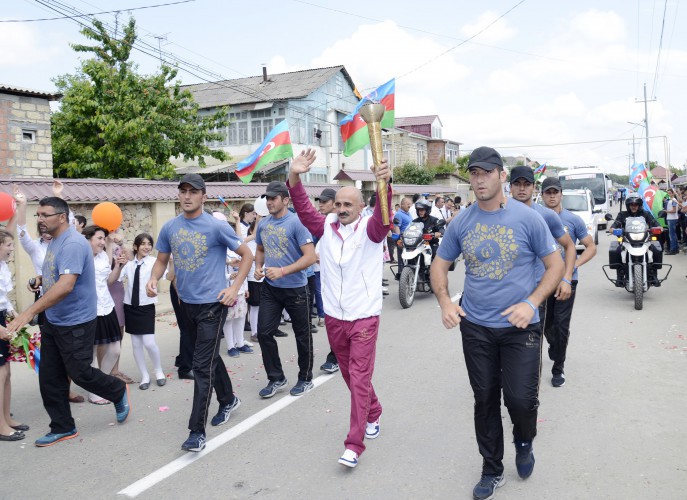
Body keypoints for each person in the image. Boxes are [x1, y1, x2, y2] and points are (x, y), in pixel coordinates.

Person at [430, 147, 563, 500]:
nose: (479, 179)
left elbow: (555, 265)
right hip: (476, 326)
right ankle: (492, 469)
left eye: (486, 172)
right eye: (474, 173)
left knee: (520, 401)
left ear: (501, 176)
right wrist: (445, 302)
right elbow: (439, 265)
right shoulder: (461, 221)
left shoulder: (529, 218)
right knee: (485, 398)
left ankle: (523, 440)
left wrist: (532, 302)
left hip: (522, 327)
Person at [287, 148, 390, 468]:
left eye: (349, 204)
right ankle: (373, 410)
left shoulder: (372, 230)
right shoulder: (324, 228)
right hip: (334, 316)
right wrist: (294, 175)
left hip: (364, 316)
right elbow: (303, 208)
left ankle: (354, 444)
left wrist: (385, 183)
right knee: (348, 374)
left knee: (359, 377)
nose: (343, 209)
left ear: (362, 207)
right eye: (339, 204)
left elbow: (384, 216)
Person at [7, 197, 130, 447]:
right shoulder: (55, 241)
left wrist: (29, 312)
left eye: (45, 215)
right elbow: (58, 274)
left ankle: (117, 392)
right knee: (50, 377)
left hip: (76, 322)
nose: (39, 220)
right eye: (38, 215)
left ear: (62, 217)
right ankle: (63, 426)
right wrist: (42, 280)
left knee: (80, 373)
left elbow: (66, 285)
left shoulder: (73, 243)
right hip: (54, 320)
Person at [146, 173, 252, 452]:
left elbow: (247, 256)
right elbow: (161, 260)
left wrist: (234, 288)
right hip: (185, 304)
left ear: (204, 196)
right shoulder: (170, 227)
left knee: (201, 367)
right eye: (183, 191)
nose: (187, 196)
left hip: (212, 305)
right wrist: (153, 279)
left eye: (193, 191)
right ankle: (228, 399)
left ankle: (196, 431)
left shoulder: (215, 227)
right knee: (207, 357)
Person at [254, 181, 317, 398]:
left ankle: (305, 377)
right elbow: (260, 249)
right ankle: (276, 378)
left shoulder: (297, 223)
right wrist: (258, 267)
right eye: (267, 199)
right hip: (271, 288)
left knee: (302, 335)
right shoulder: (263, 224)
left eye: (273, 198)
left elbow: (311, 257)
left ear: (285, 200)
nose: (269, 202)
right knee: (263, 332)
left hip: (296, 288)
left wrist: (283, 271)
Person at [540, 178, 597, 387]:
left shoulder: (573, 220)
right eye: (548, 192)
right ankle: (554, 346)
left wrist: (574, 266)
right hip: (542, 281)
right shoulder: (536, 218)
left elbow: (590, 246)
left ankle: (558, 368)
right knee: (545, 325)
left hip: (566, 281)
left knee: (561, 325)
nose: (552, 196)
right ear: (543, 195)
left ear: (561, 194)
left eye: (556, 192)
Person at [509, 167, 576, 307]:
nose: (522, 188)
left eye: (526, 184)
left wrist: (567, 278)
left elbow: (569, 246)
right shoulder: (500, 213)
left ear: (534, 187)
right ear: (510, 187)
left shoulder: (546, 215)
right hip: (508, 292)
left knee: (543, 329)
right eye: (517, 184)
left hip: (537, 292)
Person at [82, 225, 126, 404]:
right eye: (99, 238)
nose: (102, 242)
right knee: (91, 352)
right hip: (89, 310)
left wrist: (119, 266)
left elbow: (109, 280)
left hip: (107, 307)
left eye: (103, 238)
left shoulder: (102, 257)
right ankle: (95, 392)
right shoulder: (81, 258)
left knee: (115, 349)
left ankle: (102, 382)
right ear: (88, 240)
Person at [121, 233, 166, 390]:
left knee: (149, 342)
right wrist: (119, 263)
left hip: (146, 306)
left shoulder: (155, 262)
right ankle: (144, 375)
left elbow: (169, 276)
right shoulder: (128, 265)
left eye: (149, 244)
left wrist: (172, 263)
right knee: (136, 343)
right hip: (130, 307)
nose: (147, 247)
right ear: (135, 246)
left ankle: (158, 371)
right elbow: (117, 279)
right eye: (143, 244)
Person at [0, 227, 28, 442]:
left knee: (7, 373)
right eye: (8, 245)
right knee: (0, 376)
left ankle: (6, 417)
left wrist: (14, 314)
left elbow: (4, 299)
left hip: (2, 317)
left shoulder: (2, 265)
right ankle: (1, 425)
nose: (12, 248)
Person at [609, 193, 663, 285]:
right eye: (631, 205)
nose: (634, 207)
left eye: (636, 205)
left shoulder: (645, 213)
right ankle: (620, 275)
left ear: (639, 205)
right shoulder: (622, 214)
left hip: (644, 239)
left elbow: (653, 221)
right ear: (628, 205)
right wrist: (613, 228)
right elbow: (616, 223)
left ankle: (654, 274)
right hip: (627, 239)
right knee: (617, 250)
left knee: (656, 249)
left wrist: (659, 226)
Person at [392, 196, 413, 279]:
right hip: (402, 238)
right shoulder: (399, 214)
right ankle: (401, 274)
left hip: (410, 238)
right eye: (408, 204)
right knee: (401, 256)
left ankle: (408, 273)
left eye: (410, 204)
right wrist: (399, 239)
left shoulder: (408, 213)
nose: (409, 206)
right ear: (402, 204)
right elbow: (396, 227)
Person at [665, 188, 679, 255]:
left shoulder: (673, 200)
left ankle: (673, 249)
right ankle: (676, 248)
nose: (669, 194)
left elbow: (673, 211)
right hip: (671, 218)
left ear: (673, 193)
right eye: (668, 193)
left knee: (672, 235)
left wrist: (666, 211)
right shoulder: (670, 200)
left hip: (672, 219)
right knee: (674, 234)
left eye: (670, 193)